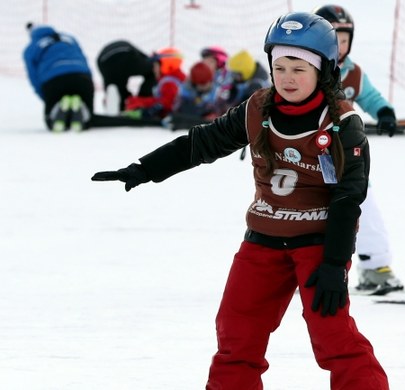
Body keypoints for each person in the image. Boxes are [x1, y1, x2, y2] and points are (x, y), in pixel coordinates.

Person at [91, 12, 389, 389]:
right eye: (280, 67)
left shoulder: (343, 124)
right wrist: (144, 168)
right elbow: (203, 142)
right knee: (236, 335)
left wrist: (334, 264)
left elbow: (349, 197)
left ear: (324, 71)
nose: (288, 77)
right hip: (264, 239)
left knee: (334, 339)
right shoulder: (258, 108)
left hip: (319, 242)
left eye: (299, 68)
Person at [314, 4, 403, 294]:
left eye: (343, 39)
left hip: (348, 156)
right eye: (332, 39)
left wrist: (385, 113)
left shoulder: (352, 73)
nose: (339, 46)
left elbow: (372, 97)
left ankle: (375, 265)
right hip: (308, 156)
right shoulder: (305, 69)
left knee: (363, 205)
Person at [23, 22, 92, 132]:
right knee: (88, 120)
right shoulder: (70, 38)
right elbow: (84, 61)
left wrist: (46, 97)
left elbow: (33, 77)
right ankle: (80, 108)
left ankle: (59, 108)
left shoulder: (32, 47)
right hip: (82, 77)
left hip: (54, 80)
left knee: (51, 123)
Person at [123, 47, 185, 121]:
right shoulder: (174, 79)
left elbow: (167, 104)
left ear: (166, 65)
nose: (153, 69)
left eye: (155, 66)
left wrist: (139, 102)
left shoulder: (169, 83)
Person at [96, 40, 155, 115]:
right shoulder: (141, 58)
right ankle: (142, 100)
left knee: (115, 90)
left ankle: (121, 103)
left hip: (103, 60)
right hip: (126, 52)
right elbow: (151, 64)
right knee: (152, 72)